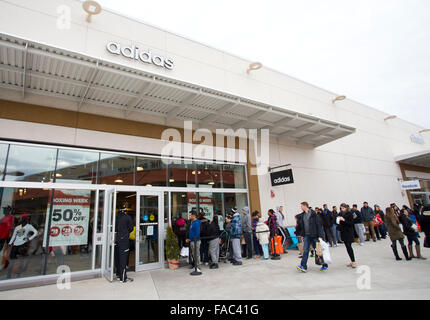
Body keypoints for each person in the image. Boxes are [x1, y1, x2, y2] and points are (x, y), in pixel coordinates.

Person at [296, 202, 326, 272]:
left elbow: (318, 225)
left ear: (305, 206)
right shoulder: (303, 215)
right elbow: (303, 226)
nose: (301, 207)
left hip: (314, 235)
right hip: (307, 235)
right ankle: (303, 266)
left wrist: (320, 236)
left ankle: (324, 264)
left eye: (302, 206)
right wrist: (302, 235)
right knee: (305, 251)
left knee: (318, 250)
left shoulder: (313, 214)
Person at [114, 204, 134, 283]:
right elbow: (131, 228)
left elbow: (115, 228)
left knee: (118, 257)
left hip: (117, 239)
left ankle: (118, 274)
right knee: (123, 259)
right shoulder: (127, 217)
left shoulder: (116, 217)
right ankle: (123, 278)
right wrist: (126, 232)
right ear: (125, 210)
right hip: (124, 240)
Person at [337, 204, 357, 268]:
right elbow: (339, 223)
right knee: (347, 247)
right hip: (343, 232)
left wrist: (344, 220)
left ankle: (353, 261)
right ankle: (352, 261)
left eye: (343, 208)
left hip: (348, 232)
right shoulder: (340, 214)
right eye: (341, 208)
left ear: (346, 208)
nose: (342, 209)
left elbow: (351, 223)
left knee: (349, 246)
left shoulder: (349, 214)